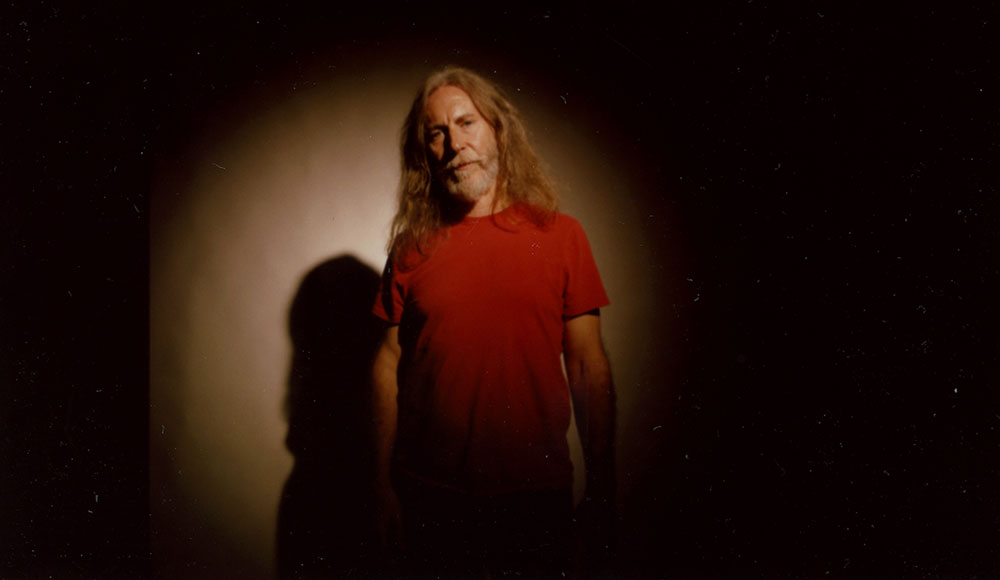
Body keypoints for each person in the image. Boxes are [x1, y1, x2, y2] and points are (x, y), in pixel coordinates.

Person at [371, 66, 615, 579]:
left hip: (534, 497)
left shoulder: (561, 236)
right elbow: (388, 362)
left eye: (466, 122)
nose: (454, 144)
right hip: (429, 495)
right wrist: (382, 485)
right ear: (425, 152)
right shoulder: (411, 247)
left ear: (498, 129)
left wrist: (603, 483)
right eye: (436, 133)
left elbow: (587, 364)